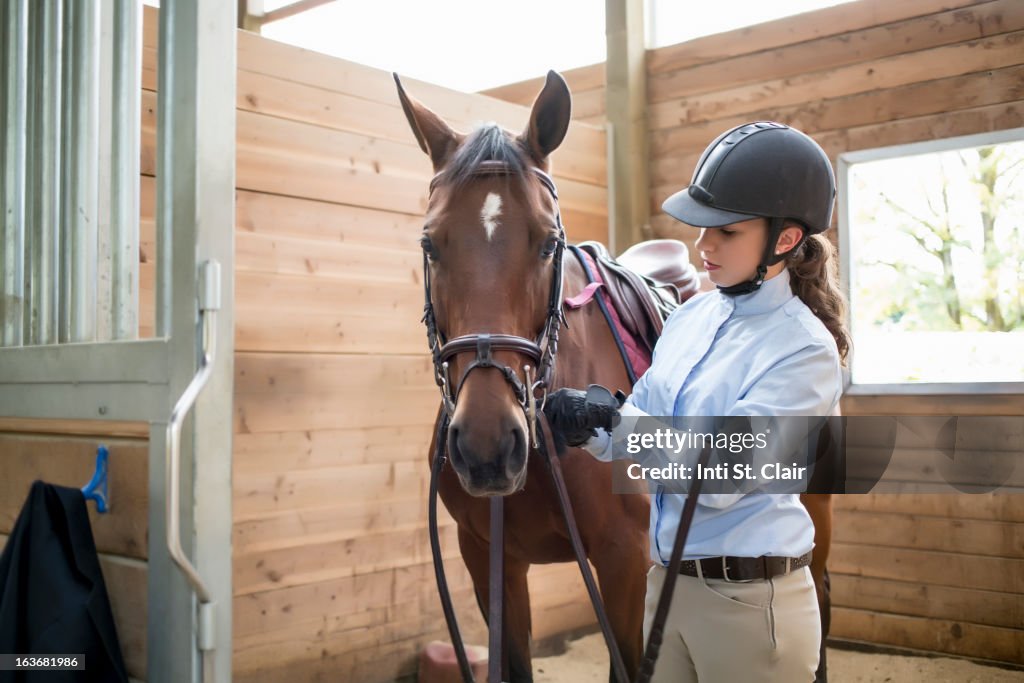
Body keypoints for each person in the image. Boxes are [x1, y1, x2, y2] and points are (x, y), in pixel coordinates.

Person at [543, 121, 850, 682]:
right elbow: (636, 424)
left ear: (784, 240)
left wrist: (624, 425)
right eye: (702, 228)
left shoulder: (804, 350)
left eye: (726, 232)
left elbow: (720, 477)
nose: (702, 246)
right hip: (664, 587)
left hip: (749, 607)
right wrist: (589, 423)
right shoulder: (689, 318)